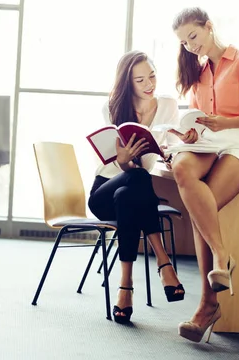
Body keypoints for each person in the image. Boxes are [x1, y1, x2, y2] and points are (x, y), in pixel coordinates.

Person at [169, 7, 239, 343]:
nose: (190, 46)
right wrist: (191, 133)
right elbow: (201, 120)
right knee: (182, 167)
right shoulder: (198, 75)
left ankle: (207, 305)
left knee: (202, 205)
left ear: (209, 27)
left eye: (193, 36)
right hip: (212, 142)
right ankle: (222, 256)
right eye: (184, 42)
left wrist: (223, 122)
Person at [88, 50, 185, 324]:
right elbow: (117, 163)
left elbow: (174, 144)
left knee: (135, 190)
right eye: (140, 80)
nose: (148, 84)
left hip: (130, 193)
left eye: (152, 76)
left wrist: (173, 150)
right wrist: (123, 161)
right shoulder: (112, 108)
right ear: (128, 83)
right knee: (139, 179)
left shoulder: (168, 105)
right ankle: (163, 260)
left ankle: (125, 286)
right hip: (104, 190)